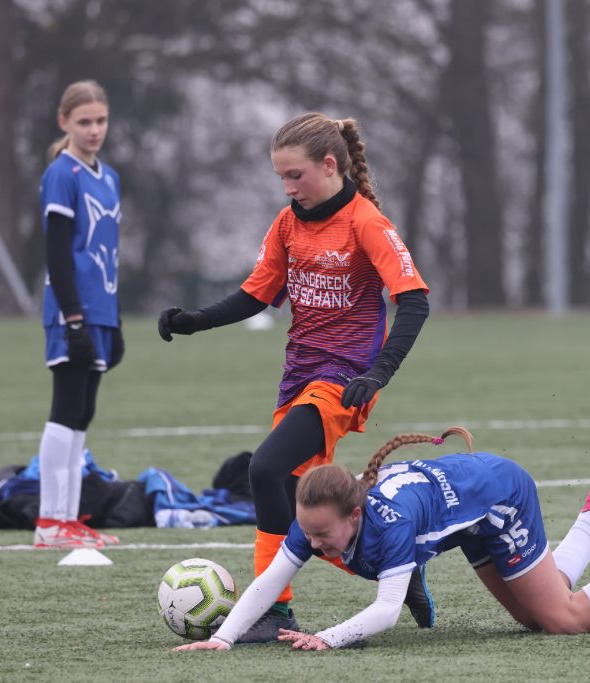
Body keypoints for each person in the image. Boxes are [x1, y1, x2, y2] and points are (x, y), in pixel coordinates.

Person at [157, 113, 431, 641]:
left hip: (344, 380)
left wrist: (378, 373)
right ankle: (394, 562)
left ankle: (274, 612)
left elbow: (414, 301)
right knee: (289, 499)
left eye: (295, 175)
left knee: (264, 469)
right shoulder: (287, 224)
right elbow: (255, 294)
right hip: (298, 378)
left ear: (329, 165)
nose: (287, 187)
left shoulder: (366, 222)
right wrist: (195, 321)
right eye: (281, 177)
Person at [173, 427, 590, 652]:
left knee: (564, 620)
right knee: (537, 613)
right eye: (309, 533)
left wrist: (327, 638)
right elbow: (270, 579)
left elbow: (386, 610)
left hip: (499, 496)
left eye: (322, 535)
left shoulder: (389, 525)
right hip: (466, 520)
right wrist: (223, 639)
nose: (314, 546)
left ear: (355, 513)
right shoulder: (319, 517)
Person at [34, 80, 122, 549]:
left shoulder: (109, 178)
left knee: (84, 412)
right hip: (72, 312)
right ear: (63, 122)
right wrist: (72, 318)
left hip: (101, 311)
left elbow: (107, 255)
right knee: (65, 408)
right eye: (84, 121)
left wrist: (115, 321)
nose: (94, 130)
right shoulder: (61, 174)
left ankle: (68, 520)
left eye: (100, 120)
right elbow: (57, 253)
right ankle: (50, 522)